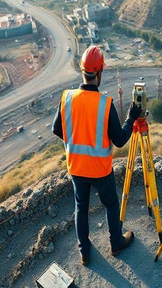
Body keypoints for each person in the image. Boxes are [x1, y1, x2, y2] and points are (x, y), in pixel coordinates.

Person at [52, 45, 142, 266]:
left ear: (83, 71)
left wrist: (75, 138)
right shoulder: (105, 104)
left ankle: (84, 252)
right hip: (101, 170)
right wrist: (131, 119)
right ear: (99, 72)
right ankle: (116, 244)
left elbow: (57, 129)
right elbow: (120, 139)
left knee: (80, 208)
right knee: (111, 205)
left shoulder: (67, 98)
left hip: (76, 168)